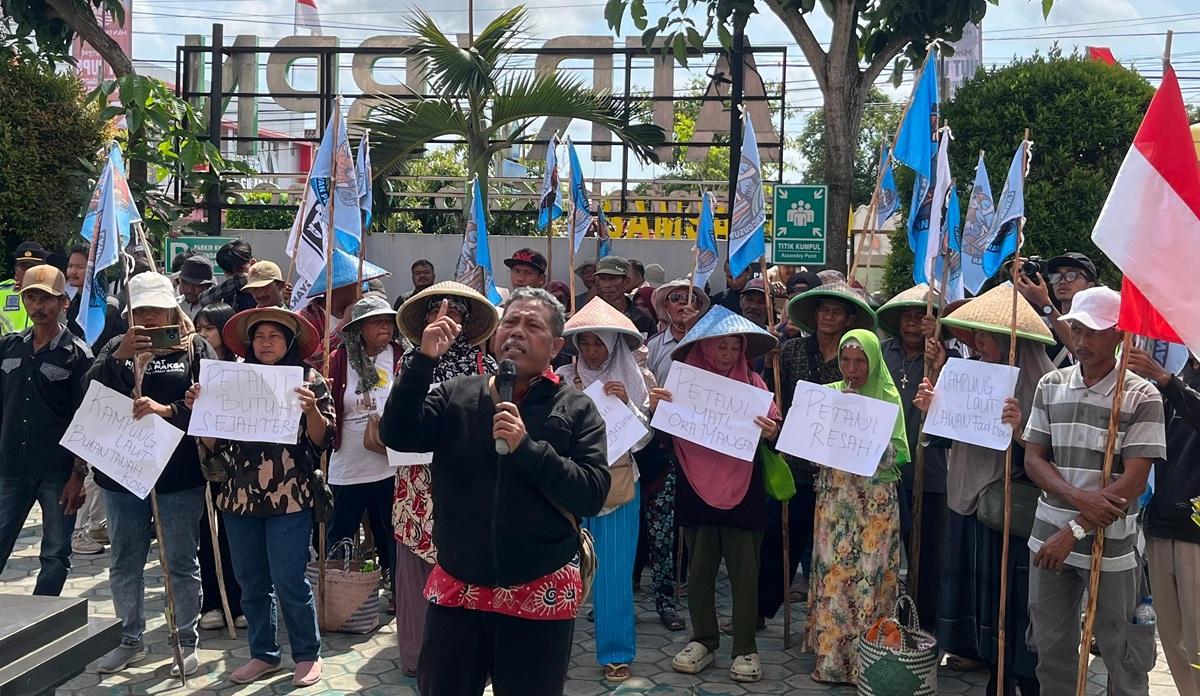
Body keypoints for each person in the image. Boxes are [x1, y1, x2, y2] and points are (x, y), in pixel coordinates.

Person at [380, 287, 610, 696]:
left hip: (539, 587)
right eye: (510, 322)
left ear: (556, 346)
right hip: (458, 586)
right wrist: (422, 362)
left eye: (532, 325)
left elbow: (592, 493)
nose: (517, 332)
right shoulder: (457, 394)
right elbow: (398, 433)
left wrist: (529, 449)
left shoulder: (577, 409)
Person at [1022, 286, 1166, 696]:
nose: (1082, 342)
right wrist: (1079, 499)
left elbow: (1134, 482)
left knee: (1120, 647)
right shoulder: (1050, 384)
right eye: (1077, 330)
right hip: (1049, 538)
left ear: (1121, 334)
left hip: (1111, 543)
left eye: (1094, 332)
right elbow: (1034, 459)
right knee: (1050, 643)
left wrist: (1077, 528)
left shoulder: (1141, 394)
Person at [914, 284, 1056, 694]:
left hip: (1015, 510)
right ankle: (996, 670)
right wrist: (932, 409)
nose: (978, 342)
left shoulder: (1046, 382)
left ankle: (1025, 675)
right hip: (971, 502)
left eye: (986, 335)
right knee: (982, 596)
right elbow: (945, 437)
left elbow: (1055, 455)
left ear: (1014, 342)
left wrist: (1021, 430)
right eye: (974, 334)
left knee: (1017, 597)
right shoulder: (964, 376)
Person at [187, 306, 332, 687]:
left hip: (290, 498)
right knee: (250, 581)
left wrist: (312, 409)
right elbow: (210, 443)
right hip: (237, 497)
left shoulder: (308, 379)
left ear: (290, 342)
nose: (266, 343)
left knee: (288, 579)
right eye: (260, 337)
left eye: (274, 336)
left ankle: (307, 653)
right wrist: (202, 408)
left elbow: (322, 439)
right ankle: (263, 654)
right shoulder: (232, 380)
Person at [90, 271, 215, 677]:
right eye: (139, 311)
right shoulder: (115, 347)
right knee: (125, 560)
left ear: (171, 308)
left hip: (178, 474)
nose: (146, 319)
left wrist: (170, 411)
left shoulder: (195, 349)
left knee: (180, 559)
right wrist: (119, 358)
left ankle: (185, 639)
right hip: (122, 472)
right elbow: (87, 395)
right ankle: (130, 639)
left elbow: (213, 406)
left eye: (154, 310)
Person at [652, 305, 780, 684]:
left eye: (733, 348)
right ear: (706, 348)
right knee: (700, 569)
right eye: (719, 347)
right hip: (694, 483)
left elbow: (774, 429)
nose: (726, 355)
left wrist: (772, 432)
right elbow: (662, 432)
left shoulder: (755, 384)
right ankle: (703, 640)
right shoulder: (683, 384)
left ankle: (745, 648)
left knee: (745, 573)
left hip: (744, 487)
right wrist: (656, 407)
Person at [392, 281, 499, 677]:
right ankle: (416, 656)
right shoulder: (409, 361)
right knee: (416, 565)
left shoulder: (484, 367)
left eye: (456, 312)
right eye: (439, 310)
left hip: (463, 479)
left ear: (467, 323)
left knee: (461, 562)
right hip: (416, 477)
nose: (447, 318)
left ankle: (464, 656)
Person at [557, 298, 656, 683]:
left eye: (599, 343)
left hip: (617, 486)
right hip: (569, 485)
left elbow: (644, 440)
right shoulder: (563, 378)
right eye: (585, 343)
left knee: (614, 570)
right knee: (563, 571)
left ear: (614, 345)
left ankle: (616, 653)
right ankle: (553, 647)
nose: (592, 351)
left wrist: (628, 405)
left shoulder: (633, 381)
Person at [763, 281, 875, 621]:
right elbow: (775, 398)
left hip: (838, 469)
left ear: (848, 318)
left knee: (832, 552)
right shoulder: (790, 351)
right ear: (814, 315)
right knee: (778, 543)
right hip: (795, 463)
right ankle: (760, 610)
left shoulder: (855, 357)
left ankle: (823, 624)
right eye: (824, 310)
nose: (829, 317)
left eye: (837, 311)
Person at [805, 329, 909, 685]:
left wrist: (863, 420)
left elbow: (895, 456)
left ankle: (868, 663)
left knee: (869, 579)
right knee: (833, 578)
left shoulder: (887, 399)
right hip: (835, 503)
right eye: (846, 360)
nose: (852, 368)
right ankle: (832, 660)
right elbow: (808, 440)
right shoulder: (828, 396)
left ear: (873, 362)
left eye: (860, 361)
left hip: (874, 506)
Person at [0, 265, 91, 594]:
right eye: (31, 298)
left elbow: (86, 418)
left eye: (46, 299)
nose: (38, 306)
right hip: (10, 467)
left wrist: (78, 475)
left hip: (58, 472)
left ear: (63, 302)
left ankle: (43, 620)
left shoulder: (78, 355)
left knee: (55, 553)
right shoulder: (9, 347)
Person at [875, 284, 954, 632]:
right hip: (886, 470)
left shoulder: (950, 360)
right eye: (906, 316)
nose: (913, 323)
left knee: (928, 556)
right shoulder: (879, 353)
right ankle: (882, 620)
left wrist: (939, 364)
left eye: (922, 317)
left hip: (932, 472)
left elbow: (955, 409)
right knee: (883, 549)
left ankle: (922, 625)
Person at [1129, 347, 1200, 696]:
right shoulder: (1184, 370)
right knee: (1175, 643)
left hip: (1195, 533)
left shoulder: (1174, 379)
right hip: (1160, 524)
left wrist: (1166, 381)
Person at [639, 279, 709, 632]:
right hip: (658, 448)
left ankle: (672, 599)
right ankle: (619, 596)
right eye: (677, 299)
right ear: (665, 308)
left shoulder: (709, 347)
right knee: (651, 529)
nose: (684, 305)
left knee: (679, 530)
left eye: (692, 300)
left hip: (697, 448)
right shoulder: (650, 348)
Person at [328, 296, 407, 596]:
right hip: (350, 464)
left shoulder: (399, 355)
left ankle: (397, 592)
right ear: (359, 328)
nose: (385, 326)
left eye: (388, 320)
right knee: (340, 534)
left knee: (392, 534)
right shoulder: (338, 360)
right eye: (376, 321)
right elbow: (331, 407)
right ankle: (340, 597)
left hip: (390, 463)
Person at [191, 302, 246, 632]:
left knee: (234, 536)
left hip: (240, 467)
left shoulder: (244, 368)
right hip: (201, 463)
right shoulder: (189, 367)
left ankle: (239, 603)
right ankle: (211, 601)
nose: (202, 335)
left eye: (209, 328)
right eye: (198, 328)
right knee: (206, 533)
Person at [299, 248, 390, 359]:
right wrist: (343, 325)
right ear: (340, 287)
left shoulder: (363, 316)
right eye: (358, 285)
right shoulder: (305, 319)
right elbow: (311, 360)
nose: (361, 293)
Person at [1015, 252, 1099, 367]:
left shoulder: (1099, 327)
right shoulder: (1042, 325)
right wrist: (1020, 279)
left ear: (1090, 286)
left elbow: (1081, 352)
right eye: (1057, 275)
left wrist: (1045, 304)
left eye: (1072, 275)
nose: (1062, 281)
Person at [65, 244, 126, 353]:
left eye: (79, 267)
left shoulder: (109, 308)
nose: (73, 271)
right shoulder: (72, 305)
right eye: (70, 266)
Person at [592, 256, 656, 335]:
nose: (606, 285)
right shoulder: (589, 317)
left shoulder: (643, 319)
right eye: (603, 279)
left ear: (626, 282)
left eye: (612, 278)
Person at [0, 241, 49, 334]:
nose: (29, 272)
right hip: (8, 347)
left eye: (33, 267)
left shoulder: (53, 293)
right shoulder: (2, 291)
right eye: (24, 267)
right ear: (15, 270)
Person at [200, 240, 256, 311]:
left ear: (253, 263)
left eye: (240, 270)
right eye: (230, 272)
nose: (236, 276)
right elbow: (203, 299)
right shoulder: (229, 290)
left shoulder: (265, 284)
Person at [177, 255, 217, 320]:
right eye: (186, 283)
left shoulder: (216, 310)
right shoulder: (174, 305)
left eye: (196, 285)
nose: (190, 290)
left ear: (208, 286)